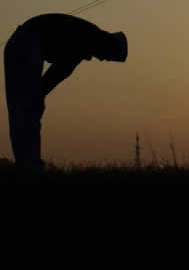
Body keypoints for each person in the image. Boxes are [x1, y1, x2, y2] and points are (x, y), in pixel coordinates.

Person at [3, 13, 128, 171]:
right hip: (26, 44)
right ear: (109, 45)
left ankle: (27, 163)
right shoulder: (87, 38)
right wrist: (40, 93)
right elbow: (60, 71)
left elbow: (57, 73)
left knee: (23, 108)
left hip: (19, 43)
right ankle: (29, 165)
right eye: (108, 57)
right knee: (26, 108)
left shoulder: (87, 37)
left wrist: (40, 93)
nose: (103, 59)